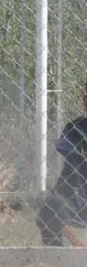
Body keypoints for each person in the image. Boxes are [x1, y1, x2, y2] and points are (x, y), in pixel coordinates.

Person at [37, 79, 87, 246]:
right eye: (85, 96)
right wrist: (76, 240)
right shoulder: (76, 129)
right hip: (79, 196)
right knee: (52, 206)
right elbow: (72, 174)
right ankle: (55, 258)